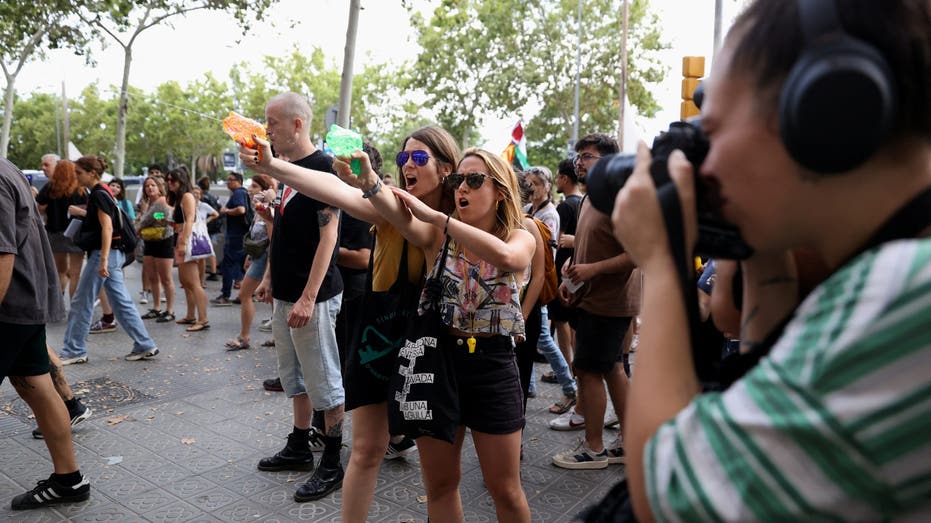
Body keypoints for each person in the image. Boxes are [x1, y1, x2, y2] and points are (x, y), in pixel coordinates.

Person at [614, 1, 931, 520]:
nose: (704, 166)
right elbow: (761, 411)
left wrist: (661, 257)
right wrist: (763, 259)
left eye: (710, 131)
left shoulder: (904, 291)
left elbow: (667, 492)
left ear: (822, 110)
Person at [242, 124, 460, 521]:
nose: (408, 164)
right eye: (403, 157)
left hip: (431, 345)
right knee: (364, 450)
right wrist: (273, 164)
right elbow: (332, 190)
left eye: (420, 157)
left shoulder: (455, 214)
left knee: (440, 478)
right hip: (381, 333)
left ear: (446, 167)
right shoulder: (391, 201)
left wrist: (370, 181)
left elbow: (416, 225)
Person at [388, 148, 534, 522]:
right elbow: (389, 214)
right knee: (439, 486)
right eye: (457, 181)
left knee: (505, 488)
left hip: (494, 368)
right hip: (440, 363)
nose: (461, 189)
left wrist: (440, 217)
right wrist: (370, 185)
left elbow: (509, 258)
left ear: (500, 191)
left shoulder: (521, 233)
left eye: (474, 180)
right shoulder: (440, 233)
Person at [251, 92, 345, 502]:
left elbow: (329, 237)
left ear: (297, 125)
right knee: (296, 379)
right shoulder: (287, 169)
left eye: (272, 122)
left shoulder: (324, 168)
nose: (266, 129)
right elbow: (291, 234)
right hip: (286, 293)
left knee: (325, 381)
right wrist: (270, 276)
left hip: (316, 297)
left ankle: (332, 461)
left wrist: (309, 298)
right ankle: (299, 443)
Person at [0, 156, 91, 511]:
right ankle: (69, 480)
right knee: (36, 385)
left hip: (9, 306)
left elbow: (3, 254)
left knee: (37, 385)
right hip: (24, 301)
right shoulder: (9, 169)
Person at [551, 133, 639, 470]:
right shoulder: (590, 199)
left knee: (588, 370)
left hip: (610, 302)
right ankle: (627, 444)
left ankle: (594, 449)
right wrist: (572, 273)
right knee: (612, 369)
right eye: (578, 156)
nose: (579, 162)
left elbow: (636, 254)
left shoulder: (619, 199)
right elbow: (593, 249)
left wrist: (591, 270)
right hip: (590, 298)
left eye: (587, 156)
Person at [57, 155, 159, 364]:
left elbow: (108, 227)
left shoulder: (98, 193)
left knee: (82, 301)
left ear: (91, 173)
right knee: (121, 303)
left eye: (79, 173)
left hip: (105, 254)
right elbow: (104, 222)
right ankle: (144, 344)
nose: (76, 176)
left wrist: (103, 260)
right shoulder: (102, 191)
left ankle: (74, 350)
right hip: (111, 254)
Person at [522, 166, 577, 414]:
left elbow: (547, 255)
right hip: (528, 281)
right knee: (531, 338)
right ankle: (530, 385)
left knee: (543, 338)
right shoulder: (528, 210)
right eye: (528, 183)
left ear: (546, 186)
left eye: (535, 183)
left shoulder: (549, 215)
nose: (531, 187)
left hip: (540, 281)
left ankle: (569, 386)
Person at [225, 173, 275, 350]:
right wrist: (249, 257)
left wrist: (269, 271)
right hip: (257, 258)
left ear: (264, 190)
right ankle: (277, 336)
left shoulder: (268, 211)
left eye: (254, 186)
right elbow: (256, 237)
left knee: (245, 294)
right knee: (271, 299)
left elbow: (272, 242)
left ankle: (244, 337)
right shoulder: (258, 210)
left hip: (264, 260)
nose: (249, 189)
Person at [35, 159, 87, 302]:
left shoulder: (50, 187)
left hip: (54, 233)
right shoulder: (80, 189)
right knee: (76, 274)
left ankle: (58, 302)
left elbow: (39, 207)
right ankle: (74, 306)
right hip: (75, 233)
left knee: (60, 271)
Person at [166, 169, 209, 332]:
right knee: (186, 282)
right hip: (181, 240)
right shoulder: (180, 198)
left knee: (193, 283)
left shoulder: (187, 196)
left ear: (182, 181)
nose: (170, 182)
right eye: (168, 180)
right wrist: (168, 222)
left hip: (187, 242)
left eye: (173, 180)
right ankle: (192, 315)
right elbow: (183, 221)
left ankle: (202, 318)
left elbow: (191, 219)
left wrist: (184, 242)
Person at [136, 176, 175, 322]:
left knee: (166, 278)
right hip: (150, 240)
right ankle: (157, 307)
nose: (150, 188)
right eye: (147, 186)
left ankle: (170, 310)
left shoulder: (161, 201)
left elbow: (154, 218)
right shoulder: (148, 203)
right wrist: (152, 218)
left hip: (164, 240)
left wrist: (141, 225)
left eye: (153, 185)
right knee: (153, 277)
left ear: (159, 187)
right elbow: (159, 217)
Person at [212, 171, 249, 306]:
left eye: (230, 180)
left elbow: (241, 210)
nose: (228, 183)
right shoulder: (243, 193)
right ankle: (243, 294)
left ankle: (225, 294)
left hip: (235, 236)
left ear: (238, 181)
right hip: (241, 235)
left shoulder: (238, 193)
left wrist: (226, 211)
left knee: (228, 264)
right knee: (241, 264)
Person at [192, 186, 220, 287]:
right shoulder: (186, 205)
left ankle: (201, 280)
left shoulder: (203, 205)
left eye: (198, 193)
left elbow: (216, 214)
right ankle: (191, 280)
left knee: (202, 258)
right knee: (191, 259)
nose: (196, 195)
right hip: (189, 233)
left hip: (201, 234)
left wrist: (206, 221)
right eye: (194, 193)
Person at [196, 175, 221, 281]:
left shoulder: (204, 202)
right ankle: (211, 272)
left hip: (205, 230)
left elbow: (215, 213)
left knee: (206, 252)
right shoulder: (212, 197)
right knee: (208, 251)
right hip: (211, 228)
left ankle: (206, 276)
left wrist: (205, 222)